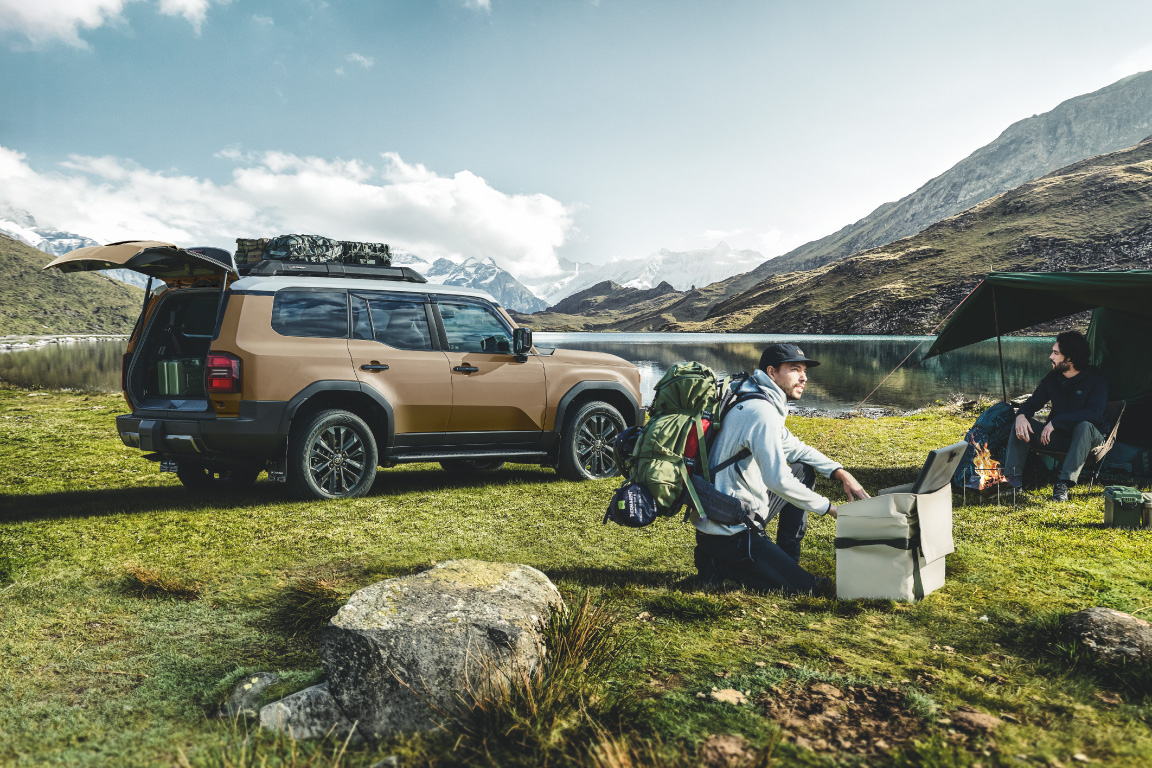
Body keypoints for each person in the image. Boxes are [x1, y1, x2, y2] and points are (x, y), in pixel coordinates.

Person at [693, 343, 870, 594]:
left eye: (805, 371)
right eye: (795, 369)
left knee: (803, 470)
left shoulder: (752, 394)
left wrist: (840, 472)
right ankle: (720, 565)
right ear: (772, 372)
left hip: (723, 510)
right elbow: (778, 480)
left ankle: (786, 558)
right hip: (729, 528)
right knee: (810, 589)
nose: (804, 377)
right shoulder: (760, 412)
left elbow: (795, 448)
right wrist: (831, 509)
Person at [1004, 330, 1108, 501]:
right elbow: (1033, 403)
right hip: (1059, 438)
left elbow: (1094, 414)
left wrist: (1057, 422)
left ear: (1070, 358)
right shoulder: (1053, 378)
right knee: (1022, 423)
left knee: (1084, 426)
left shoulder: (1095, 379)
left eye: (1056, 353)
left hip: (1090, 439)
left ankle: (1063, 485)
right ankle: (1012, 481)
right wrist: (1021, 416)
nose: (1050, 357)